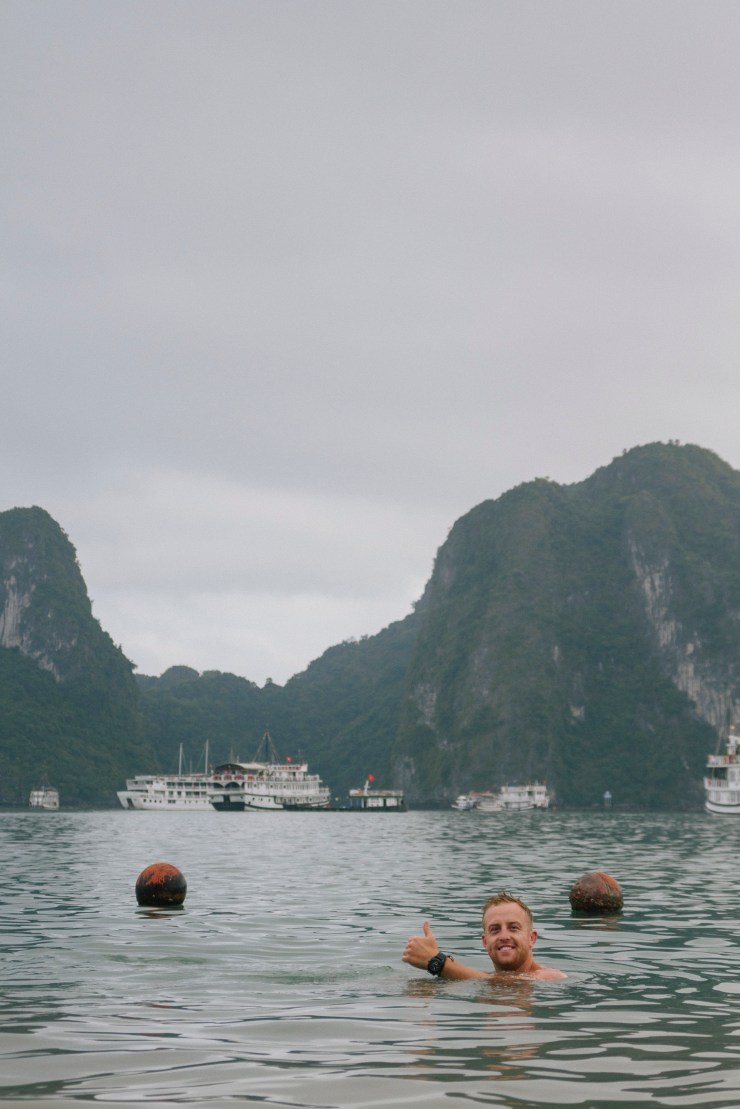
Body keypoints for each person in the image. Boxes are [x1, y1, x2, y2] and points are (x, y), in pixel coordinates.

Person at [402, 890, 566, 981]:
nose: (504, 936)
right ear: (485, 942)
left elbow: (513, 985)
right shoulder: (485, 978)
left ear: (532, 938)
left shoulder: (551, 976)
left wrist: (436, 962)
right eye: (495, 929)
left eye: (513, 928)